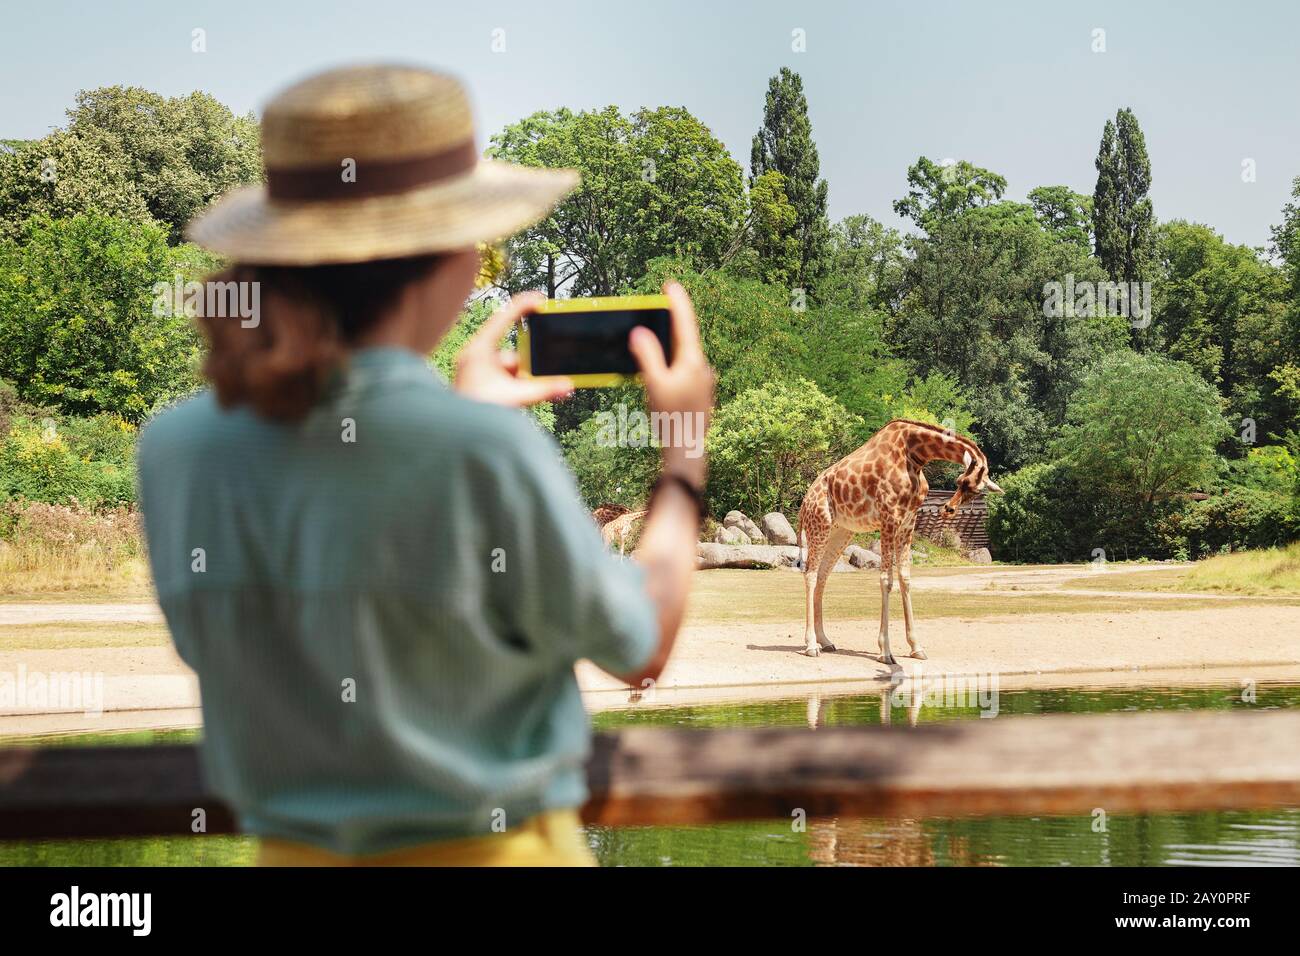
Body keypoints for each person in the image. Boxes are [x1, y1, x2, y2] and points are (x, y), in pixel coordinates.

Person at [136, 64, 714, 866]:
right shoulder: (483, 451)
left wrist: (459, 418)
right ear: (451, 259)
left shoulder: (176, 448)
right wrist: (682, 454)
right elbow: (641, 641)